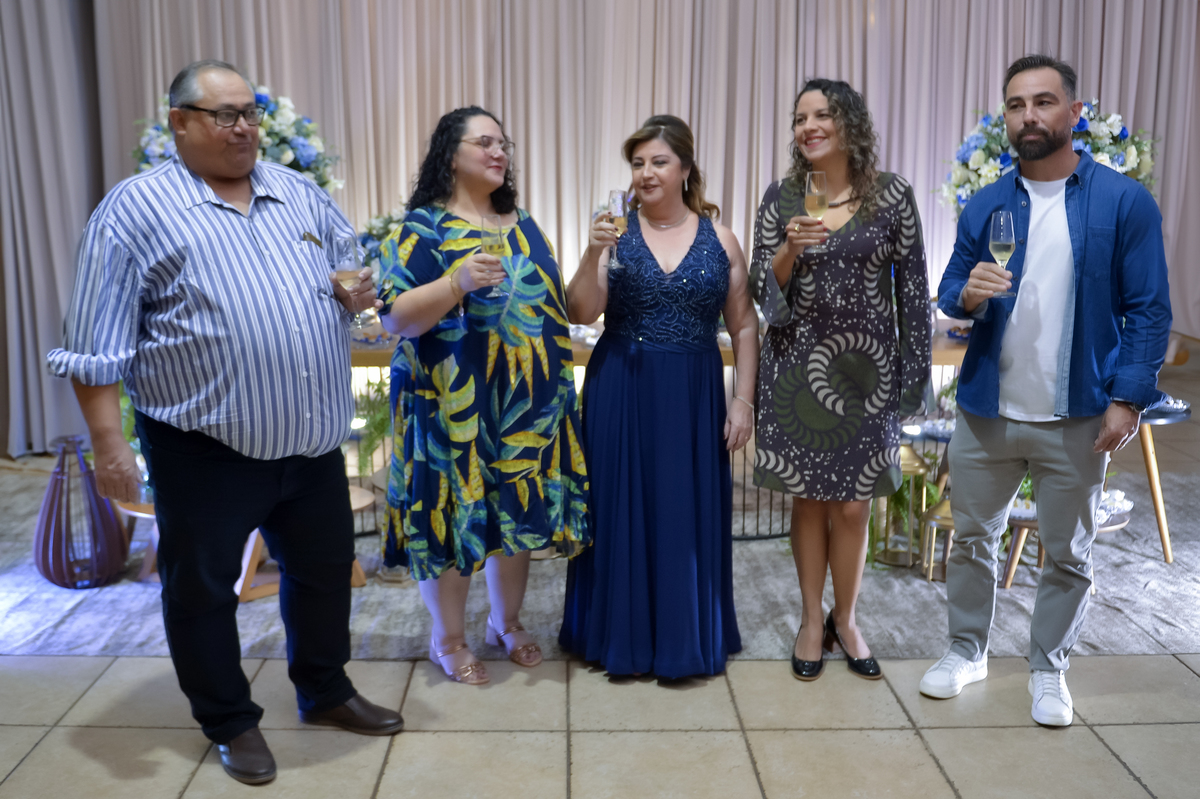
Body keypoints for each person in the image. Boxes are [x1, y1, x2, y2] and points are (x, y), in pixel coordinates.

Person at [46, 60, 403, 785]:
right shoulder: (133, 212)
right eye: (224, 115)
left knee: (324, 572)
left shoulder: (298, 192)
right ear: (180, 122)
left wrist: (359, 293)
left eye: (250, 113)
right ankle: (229, 719)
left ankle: (325, 689)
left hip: (309, 440)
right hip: (202, 449)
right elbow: (94, 342)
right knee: (202, 591)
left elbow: (354, 276)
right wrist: (110, 445)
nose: (243, 128)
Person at [920, 55, 1171, 726]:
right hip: (987, 411)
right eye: (1015, 105)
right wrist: (967, 296)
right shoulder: (987, 204)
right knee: (972, 540)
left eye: (1042, 101)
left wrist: (1128, 399)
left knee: (1067, 554)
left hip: (1078, 413)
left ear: (1074, 113)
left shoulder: (1124, 203)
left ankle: (1048, 668)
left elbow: (1149, 311)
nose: (1028, 115)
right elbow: (950, 289)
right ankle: (966, 650)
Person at [377, 106, 590, 686]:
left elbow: (552, 306)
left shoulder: (525, 224)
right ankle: (447, 637)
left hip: (524, 402)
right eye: (485, 143)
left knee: (514, 511)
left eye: (503, 144)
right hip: (450, 405)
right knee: (454, 515)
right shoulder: (422, 228)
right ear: (451, 154)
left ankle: (506, 621)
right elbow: (395, 318)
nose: (499, 152)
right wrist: (458, 282)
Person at [558, 115, 757, 678]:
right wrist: (591, 254)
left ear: (685, 169)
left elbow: (744, 325)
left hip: (694, 393)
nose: (646, 173)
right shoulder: (614, 234)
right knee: (617, 510)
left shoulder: (721, 239)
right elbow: (580, 312)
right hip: (621, 386)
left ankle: (683, 637)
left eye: (658, 162)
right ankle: (616, 636)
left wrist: (743, 400)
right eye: (638, 163)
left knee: (681, 514)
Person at [750, 79, 931, 682]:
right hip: (797, 373)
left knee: (853, 507)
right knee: (807, 499)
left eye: (822, 114)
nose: (809, 126)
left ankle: (846, 619)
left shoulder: (892, 195)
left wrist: (912, 382)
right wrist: (788, 251)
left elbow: (913, 294)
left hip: (867, 376)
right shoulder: (781, 199)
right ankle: (810, 619)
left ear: (849, 123)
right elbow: (761, 297)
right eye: (800, 117)